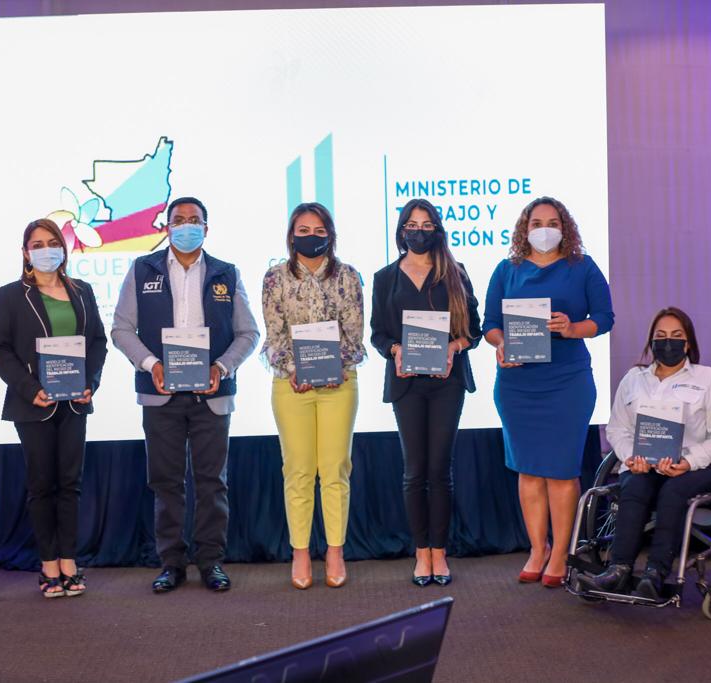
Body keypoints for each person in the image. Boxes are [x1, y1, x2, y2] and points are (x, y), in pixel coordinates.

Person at [112, 196, 259, 594]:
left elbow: (248, 333)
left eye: (195, 220)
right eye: (179, 220)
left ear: (206, 229)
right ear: (167, 227)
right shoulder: (142, 269)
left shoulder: (226, 273)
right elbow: (121, 328)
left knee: (212, 483)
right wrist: (151, 365)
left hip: (211, 394)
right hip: (161, 393)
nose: (187, 226)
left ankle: (211, 562)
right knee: (166, 482)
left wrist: (221, 367)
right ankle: (171, 563)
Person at [483, 196, 613, 588]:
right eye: (536, 223)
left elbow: (604, 318)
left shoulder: (582, 267)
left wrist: (573, 328)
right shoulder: (507, 270)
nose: (544, 230)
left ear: (564, 227)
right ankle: (537, 549)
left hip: (567, 382)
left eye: (552, 222)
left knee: (560, 471)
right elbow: (490, 324)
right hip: (517, 385)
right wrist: (501, 344)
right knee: (528, 470)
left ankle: (560, 553)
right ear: (525, 229)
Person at [580, 307, 711, 597]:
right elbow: (617, 429)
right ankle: (618, 569)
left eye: (676, 336)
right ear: (651, 342)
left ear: (687, 343)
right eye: (660, 336)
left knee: (673, 490)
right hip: (646, 463)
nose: (668, 342)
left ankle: (655, 573)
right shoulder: (634, 379)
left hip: (701, 465)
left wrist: (688, 461)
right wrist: (630, 457)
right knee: (634, 485)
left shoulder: (710, 380)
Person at [0, 218, 108, 598]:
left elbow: (98, 342)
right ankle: (48, 565)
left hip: (74, 402)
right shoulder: (11, 295)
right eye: (37, 245)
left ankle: (69, 561)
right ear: (25, 253)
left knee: (70, 484)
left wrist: (90, 383)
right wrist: (30, 389)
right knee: (42, 485)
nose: (45, 250)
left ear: (63, 248)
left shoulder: (83, 291)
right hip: (33, 404)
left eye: (52, 242)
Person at [370, 198, 481, 587]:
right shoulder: (385, 278)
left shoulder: (456, 272)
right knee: (414, 471)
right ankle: (421, 552)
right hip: (407, 384)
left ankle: (440, 552)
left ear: (437, 230)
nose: (419, 231)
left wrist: (454, 347)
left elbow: (474, 331)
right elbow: (377, 334)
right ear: (402, 231)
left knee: (440, 470)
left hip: (447, 382)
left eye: (427, 225)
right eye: (412, 225)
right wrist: (395, 350)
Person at [261, 202, 365, 589]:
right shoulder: (274, 278)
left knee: (335, 468)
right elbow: (274, 337)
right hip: (291, 386)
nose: (311, 237)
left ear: (330, 236)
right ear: (291, 236)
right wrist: (295, 369)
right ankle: (301, 552)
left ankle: (335, 551)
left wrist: (335, 366)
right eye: (303, 230)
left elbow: (355, 335)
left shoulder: (348, 276)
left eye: (319, 231)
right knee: (299, 470)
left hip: (340, 384)